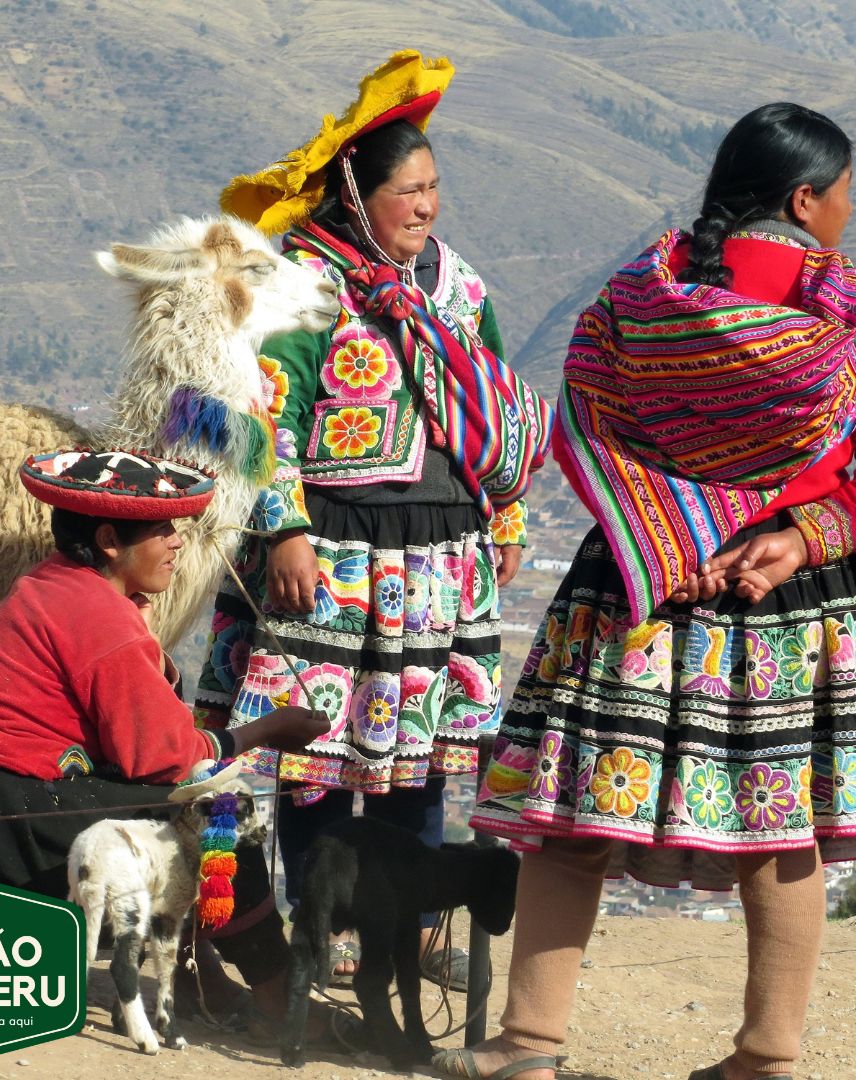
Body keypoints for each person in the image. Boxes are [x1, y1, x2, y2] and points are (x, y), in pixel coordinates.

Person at [440, 103, 856, 1080]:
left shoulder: (640, 297)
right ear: (804, 199)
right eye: (843, 196)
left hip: (633, 584)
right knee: (776, 824)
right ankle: (766, 1057)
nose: (848, 214)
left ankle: (528, 1045)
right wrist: (798, 538)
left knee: (576, 813)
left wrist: (670, 532)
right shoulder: (836, 316)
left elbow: (587, 416)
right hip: (779, 602)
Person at [197, 51, 551, 988]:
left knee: (421, 751)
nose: (426, 206)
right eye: (409, 190)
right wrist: (283, 530)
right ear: (358, 193)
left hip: (443, 554)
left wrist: (505, 519)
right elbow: (264, 414)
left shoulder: (459, 287)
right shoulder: (304, 285)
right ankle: (319, 934)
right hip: (335, 549)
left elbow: (495, 404)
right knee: (317, 749)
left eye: (435, 187)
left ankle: (418, 931)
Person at [0, 449, 343, 1044]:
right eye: (161, 530)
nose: (176, 543)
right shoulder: (95, 616)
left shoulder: (54, 583)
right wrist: (267, 729)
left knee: (154, 804)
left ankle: (194, 974)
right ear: (109, 539)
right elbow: (166, 757)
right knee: (214, 821)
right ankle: (278, 997)